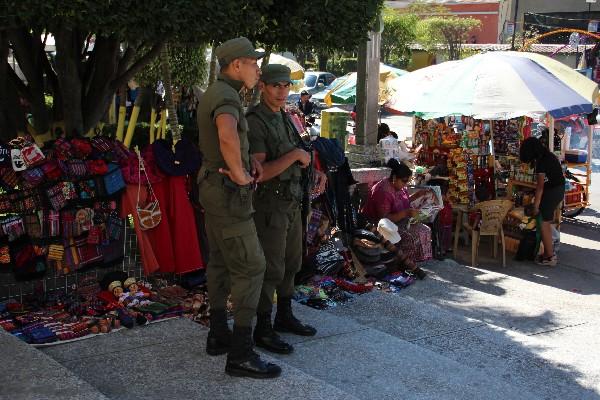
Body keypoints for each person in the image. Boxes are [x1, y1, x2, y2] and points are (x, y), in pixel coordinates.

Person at [196, 37, 280, 379]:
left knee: (219, 261)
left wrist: (245, 165)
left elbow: (231, 142)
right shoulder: (227, 97)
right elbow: (227, 134)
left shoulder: (218, 92)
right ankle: (241, 354)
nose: (257, 68)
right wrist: (241, 175)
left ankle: (218, 334)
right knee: (251, 266)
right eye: (253, 62)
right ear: (236, 66)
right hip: (229, 194)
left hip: (214, 190)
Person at [247, 64, 327, 355]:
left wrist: (315, 170)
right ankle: (263, 327)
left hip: (292, 202)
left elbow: (303, 150)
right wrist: (294, 156)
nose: (282, 91)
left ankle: (284, 315)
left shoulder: (284, 116)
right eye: (276, 85)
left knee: (292, 262)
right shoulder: (256, 121)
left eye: (286, 86)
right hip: (270, 204)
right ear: (263, 87)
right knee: (271, 267)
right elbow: (260, 172)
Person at [361, 158, 432, 262]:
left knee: (425, 230)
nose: (406, 184)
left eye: (407, 181)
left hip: (398, 220)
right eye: (404, 181)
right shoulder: (383, 191)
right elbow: (384, 219)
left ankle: (419, 259)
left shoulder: (399, 186)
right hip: (379, 225)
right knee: (413, 234)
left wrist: (418, 195)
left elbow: (401, 201)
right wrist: (406, 213)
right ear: (394, 177)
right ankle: (405, 262)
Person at [519, 135, 565, 266]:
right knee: (546, 222)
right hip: (558, 190)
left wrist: (536, 206)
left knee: (544, 223)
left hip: (552, 192)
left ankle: (550, 257)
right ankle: (549, 253)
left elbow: (540, 187)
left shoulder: (541, 162)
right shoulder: (548, 156)